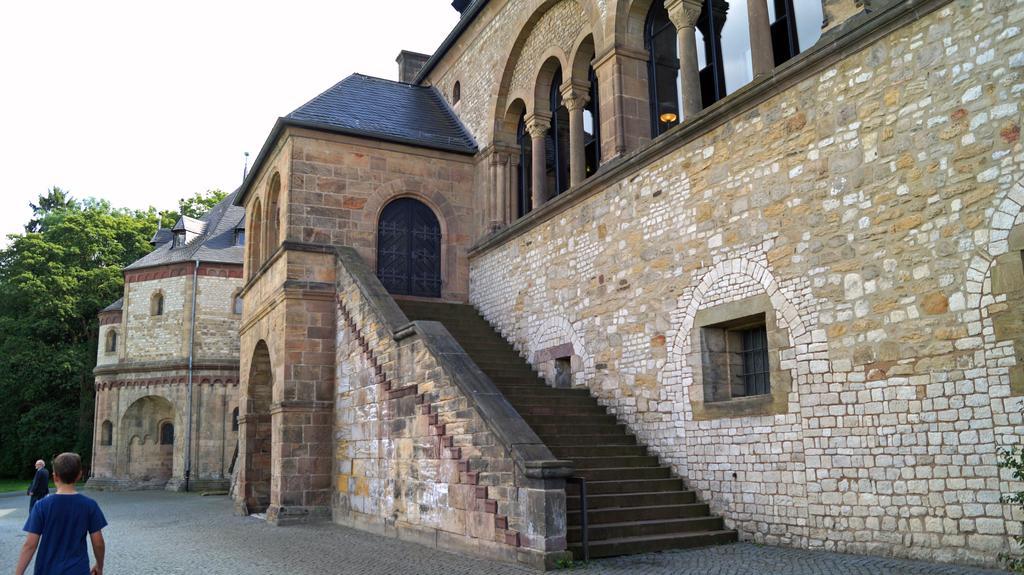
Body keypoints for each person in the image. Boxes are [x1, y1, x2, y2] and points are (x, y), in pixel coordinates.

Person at [15, 453, 107, 575]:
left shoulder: (41, 506)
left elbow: (30, 545)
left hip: (46, 570)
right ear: (79, 475)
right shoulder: (90, 505)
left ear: (55, 477)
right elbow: (98, 542)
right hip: (77, 570)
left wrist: (18, 573)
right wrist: (99, 566)